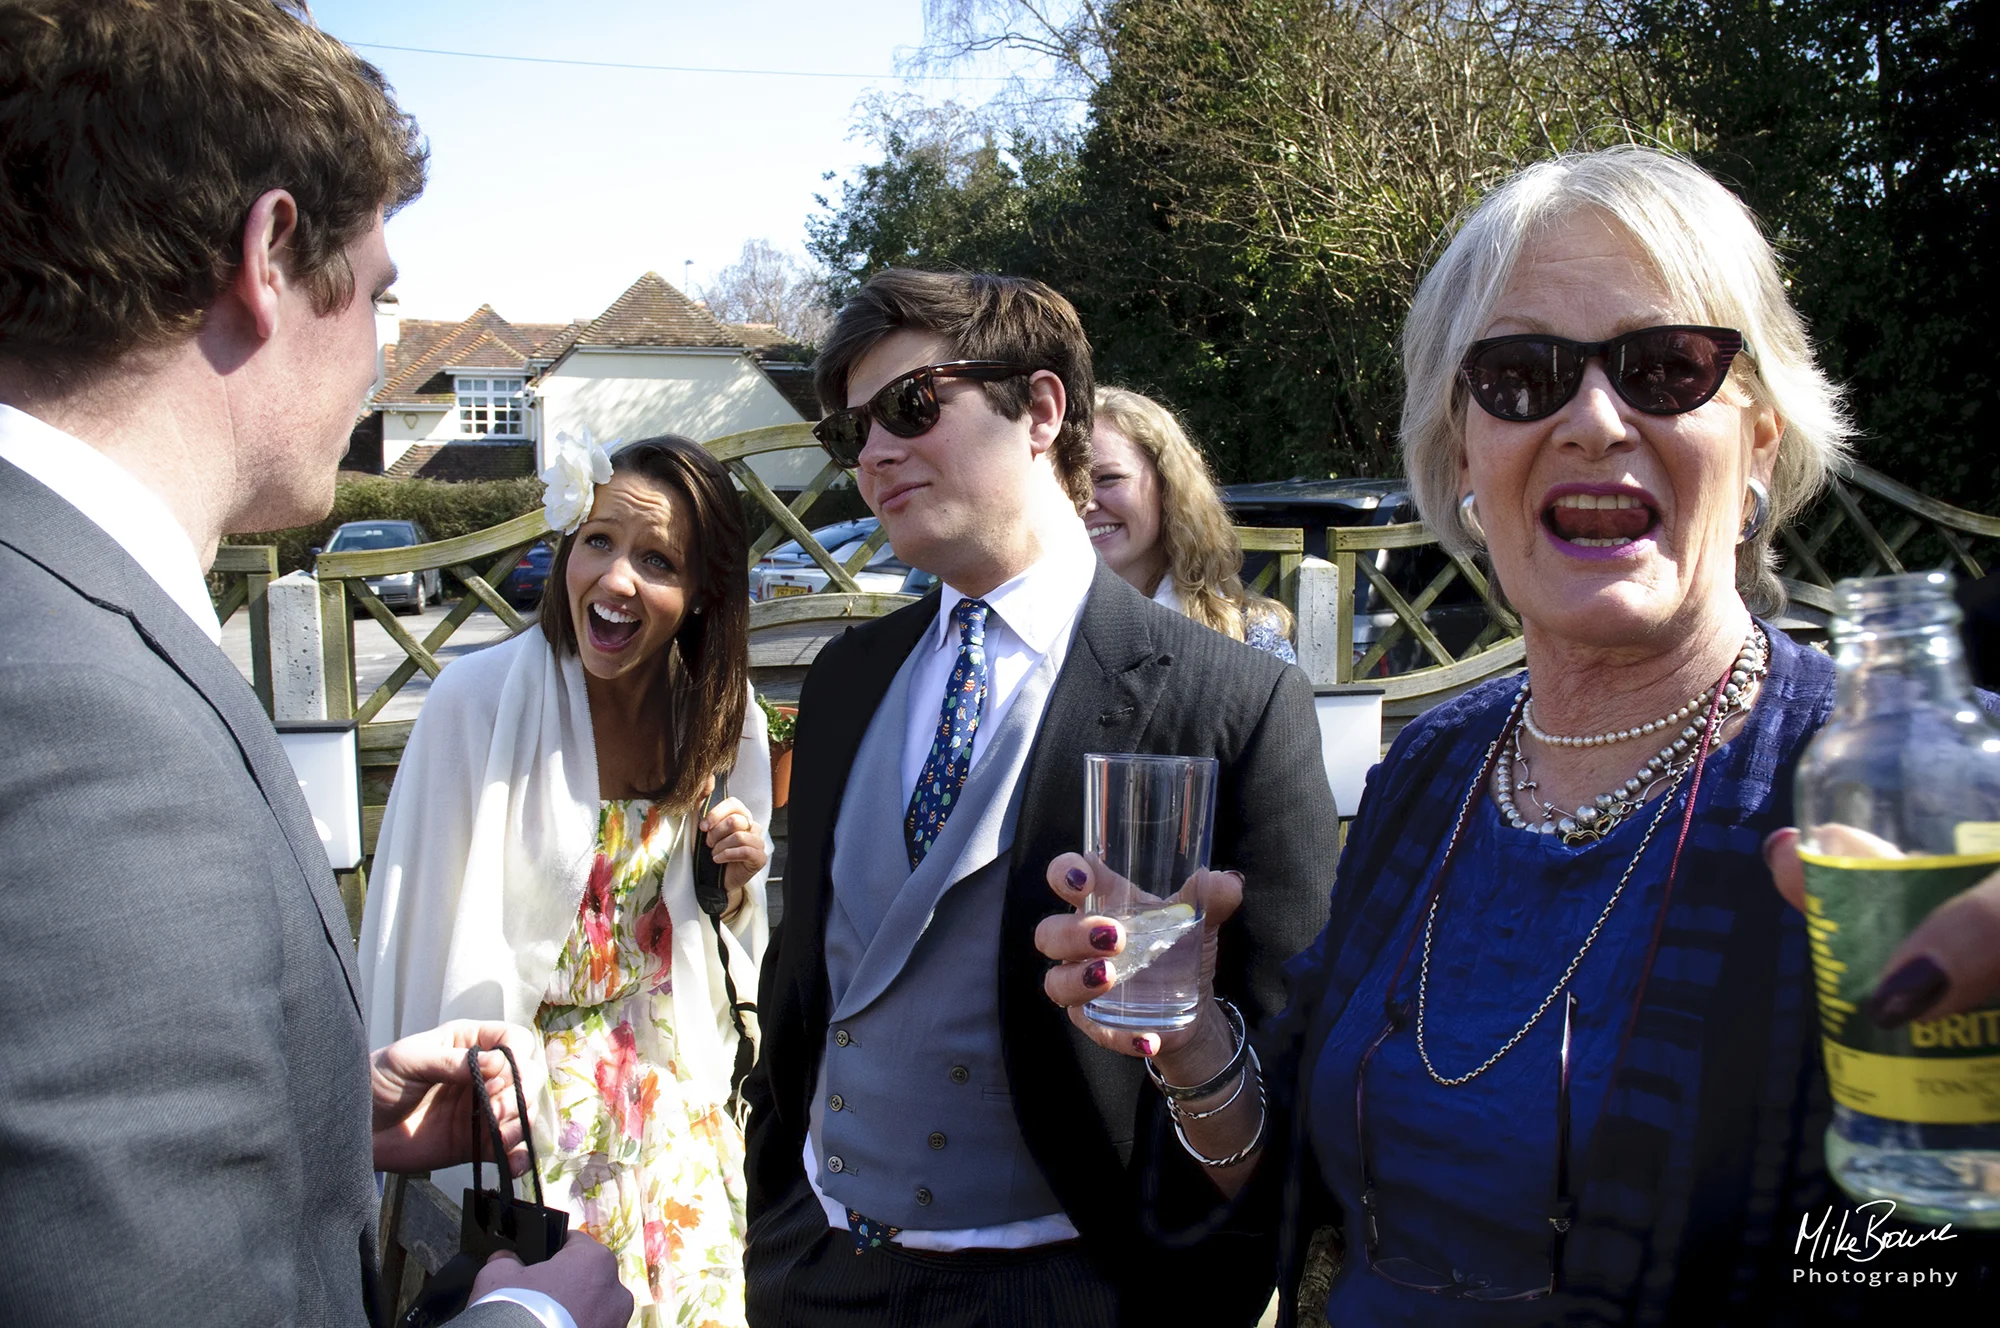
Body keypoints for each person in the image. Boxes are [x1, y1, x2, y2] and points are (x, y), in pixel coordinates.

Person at [1038, 145, 1998, 1322]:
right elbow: (1298, 1185)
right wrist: (1190, 1040)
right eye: (1519, 373)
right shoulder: (1434, 769)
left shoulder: (1896, 785)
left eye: (1666, 365)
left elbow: (1920, 1254)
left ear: (1756, 440)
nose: (1594, 418)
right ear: (1461, 459)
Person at [0, 2, 628, 1325]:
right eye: (383, 294)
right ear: (269, 253)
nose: (385, 350)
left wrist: (314, 1119)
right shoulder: (86, 730)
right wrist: (538, 1318)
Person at [739, 269, 1340, 1327]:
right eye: (852, 433)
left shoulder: (1232, 699)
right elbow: (810, 976)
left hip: (1077, 1290)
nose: (874, 451)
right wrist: (778, 1221)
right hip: (818, 1278)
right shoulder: (843, 680)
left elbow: (1293, 1073)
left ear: (1043, 409)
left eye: (911, 406)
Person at [361, 433, 774, 1327]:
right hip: (529, 1105)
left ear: (701, 593)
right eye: (598, 541)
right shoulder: (473, 702)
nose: (617, 578)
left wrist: (735, 882)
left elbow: (718, 929)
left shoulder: (718, 707)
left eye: (657, 560)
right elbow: (411, 921)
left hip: (673, 1088)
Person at [1088, 386, 1298, 661]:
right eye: (1066, 484)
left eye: (1107, 478)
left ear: (1168, 485)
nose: (1084, 502)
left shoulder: (1249, 640)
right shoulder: (1033, 637)